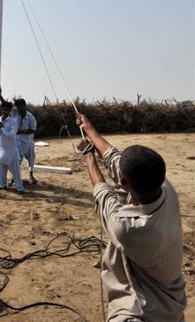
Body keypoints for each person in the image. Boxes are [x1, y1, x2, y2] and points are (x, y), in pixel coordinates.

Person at [75, 112, 186, 322]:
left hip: (140, 313)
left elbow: (103, 191)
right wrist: (89, 128)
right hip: (173, 307)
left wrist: (89, 155)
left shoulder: (126, 228)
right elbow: (114, 158)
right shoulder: (165, 188)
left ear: (125, 183)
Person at [0, 101, 25, 194]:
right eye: (3, 109)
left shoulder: (13, 121)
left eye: (6, 109)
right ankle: (2, 184)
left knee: (15, 171)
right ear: (1, 109)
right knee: (0, 166)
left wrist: (1, 128)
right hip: (1, 148)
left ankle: (19, 187)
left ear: (9, 111)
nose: (4, 111)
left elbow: (11, 135)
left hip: (11, 149)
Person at [13, 99, 37, 184]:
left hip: (28, 142)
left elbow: (33, 130)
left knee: (31, 159)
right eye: (17, 107)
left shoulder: (30, 117)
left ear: (24, 106)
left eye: (20, 107)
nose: (19, 109)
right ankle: (14, 177)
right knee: (16, 160)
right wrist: (0, 95)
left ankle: (31, 175)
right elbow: (5, 104)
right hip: (18, 142)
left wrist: (22, 132)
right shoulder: (15, 113)